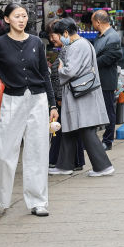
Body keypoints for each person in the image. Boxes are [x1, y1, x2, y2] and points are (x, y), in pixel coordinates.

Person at [0, 3, 58, 217]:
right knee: (2, 151)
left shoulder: (37, 42)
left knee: (37, 151)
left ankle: (38, 201)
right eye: (17, 16)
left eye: (24, 16)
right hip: (12, 99)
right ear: (7, 19)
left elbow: (45, 74)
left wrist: (53, 103)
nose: (22, 19)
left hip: (38, 100)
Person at [51, 19, 114, 177]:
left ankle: (103, 166)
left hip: (81, 94)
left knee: (86, 129)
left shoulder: (77, 46)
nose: (58, 39)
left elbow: (70, 71)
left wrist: (60, 70)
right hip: (81, 93)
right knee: (70, 129)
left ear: (65, 33)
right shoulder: (82, 43)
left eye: (59, 35)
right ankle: (65, 165)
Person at [47, 28, 84, 171]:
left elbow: (63, 75)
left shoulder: (67, 50)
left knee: (61, 130)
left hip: (64, 96)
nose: (51, 39)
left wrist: (59, 97)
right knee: (66, 129)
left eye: (53, 35)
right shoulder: (65, 50)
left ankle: (59, 161)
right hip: (64, 96)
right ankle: (72, 161)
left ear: (64, 34)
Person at [91, 11, 123, 149]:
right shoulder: (100, 37)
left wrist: (91, 64)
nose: (92, 25)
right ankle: (94, 140)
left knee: (109, 110)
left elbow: (110, 57)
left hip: (106, 80)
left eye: (93, 22)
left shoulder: (113, 36)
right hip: (97, 80)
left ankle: (108, 140)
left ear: (98, 22)